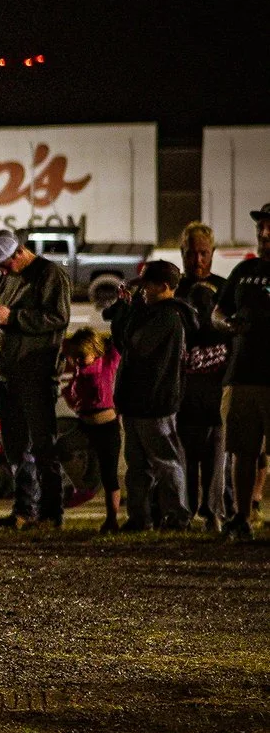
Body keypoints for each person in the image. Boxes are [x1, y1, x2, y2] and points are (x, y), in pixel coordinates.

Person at [0, 228, 72, 527]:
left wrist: (13, 318)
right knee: (16, 446)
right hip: (7, 375)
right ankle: (24, 510)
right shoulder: (8, 277)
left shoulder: (49, 275)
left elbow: (58, 317)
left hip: (36, 375)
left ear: (19, 252)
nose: (4, 272)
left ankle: (51, 513)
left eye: (6, 265)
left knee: (43, 445)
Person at [104, 260, 191, 531]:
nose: (142, 291)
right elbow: (125, 343)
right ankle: (140, 518)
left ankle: (177, 516)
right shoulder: (152, 312)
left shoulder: (168, 316)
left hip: (155, 403)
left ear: (164, 287)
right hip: (136, 401)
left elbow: (135, 347)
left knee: (165, 462)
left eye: (147, 285)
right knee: (137, 466)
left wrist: (126, 316)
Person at [175, 222, 231, 528]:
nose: (198, 260)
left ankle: (215, 513)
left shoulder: (225, 289)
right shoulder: (175, 291)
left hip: (216, 389)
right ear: (182, 253)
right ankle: (185, 512)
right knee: (184, 459)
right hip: (183, 392)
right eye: (192, 253)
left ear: (212, 253)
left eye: (204, 253)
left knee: (216, 459)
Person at [220, 202, 270, 539]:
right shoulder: (242, 272)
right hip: (242, 374)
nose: (264, 234)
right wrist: (228, 324)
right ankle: (241, 517)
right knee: (242, 449)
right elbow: (217, 311)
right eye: (261, 228)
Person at [59, 327, 123, 531]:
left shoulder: (107, 364)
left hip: (106, 427)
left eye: (81, 356)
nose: (77, 360)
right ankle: (84, 486)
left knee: (109, 475)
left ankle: (112, 519)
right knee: (62, 446)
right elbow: (72, 396)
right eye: (74, 356)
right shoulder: (78, 372)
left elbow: (118, 341)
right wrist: (71, 398)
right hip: (85, 426)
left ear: (95, 351)